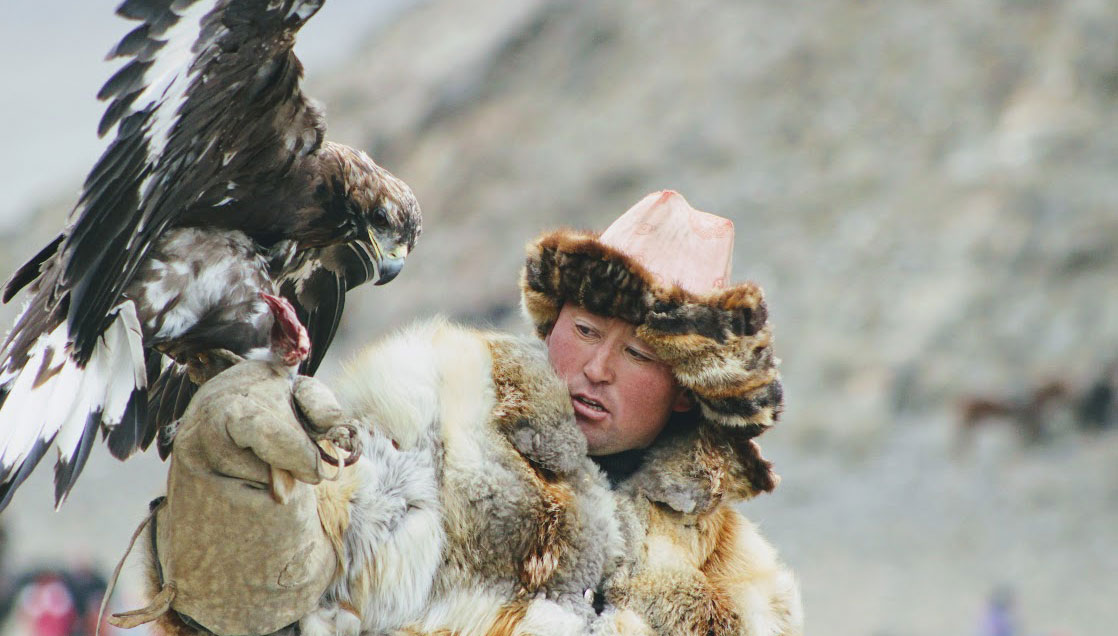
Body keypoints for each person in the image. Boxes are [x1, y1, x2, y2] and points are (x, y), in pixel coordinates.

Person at [126, 190, 802, 635]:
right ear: (554, 322)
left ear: (686, 386)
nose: (598, 369)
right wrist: (232, 500)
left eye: (640, 355)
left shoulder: (741, 594)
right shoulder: (429, 409)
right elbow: (264, 593)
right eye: (588, 330)